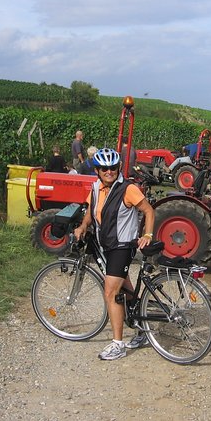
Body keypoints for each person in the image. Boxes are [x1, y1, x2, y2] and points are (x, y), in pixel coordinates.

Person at [73, 148, 155, 361]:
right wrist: (83, 226)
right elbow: (90, 213)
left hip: (122, 246)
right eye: (104, 168)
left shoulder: (128, 189)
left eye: (112, 167)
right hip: (106, 245)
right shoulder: (95, 188)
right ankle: (141, 329)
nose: (109, 171)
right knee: (125, 289)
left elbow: (148, 210)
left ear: (118, 167)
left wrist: (147, 233)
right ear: (97, 171)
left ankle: (118, 344)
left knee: (111, 293)